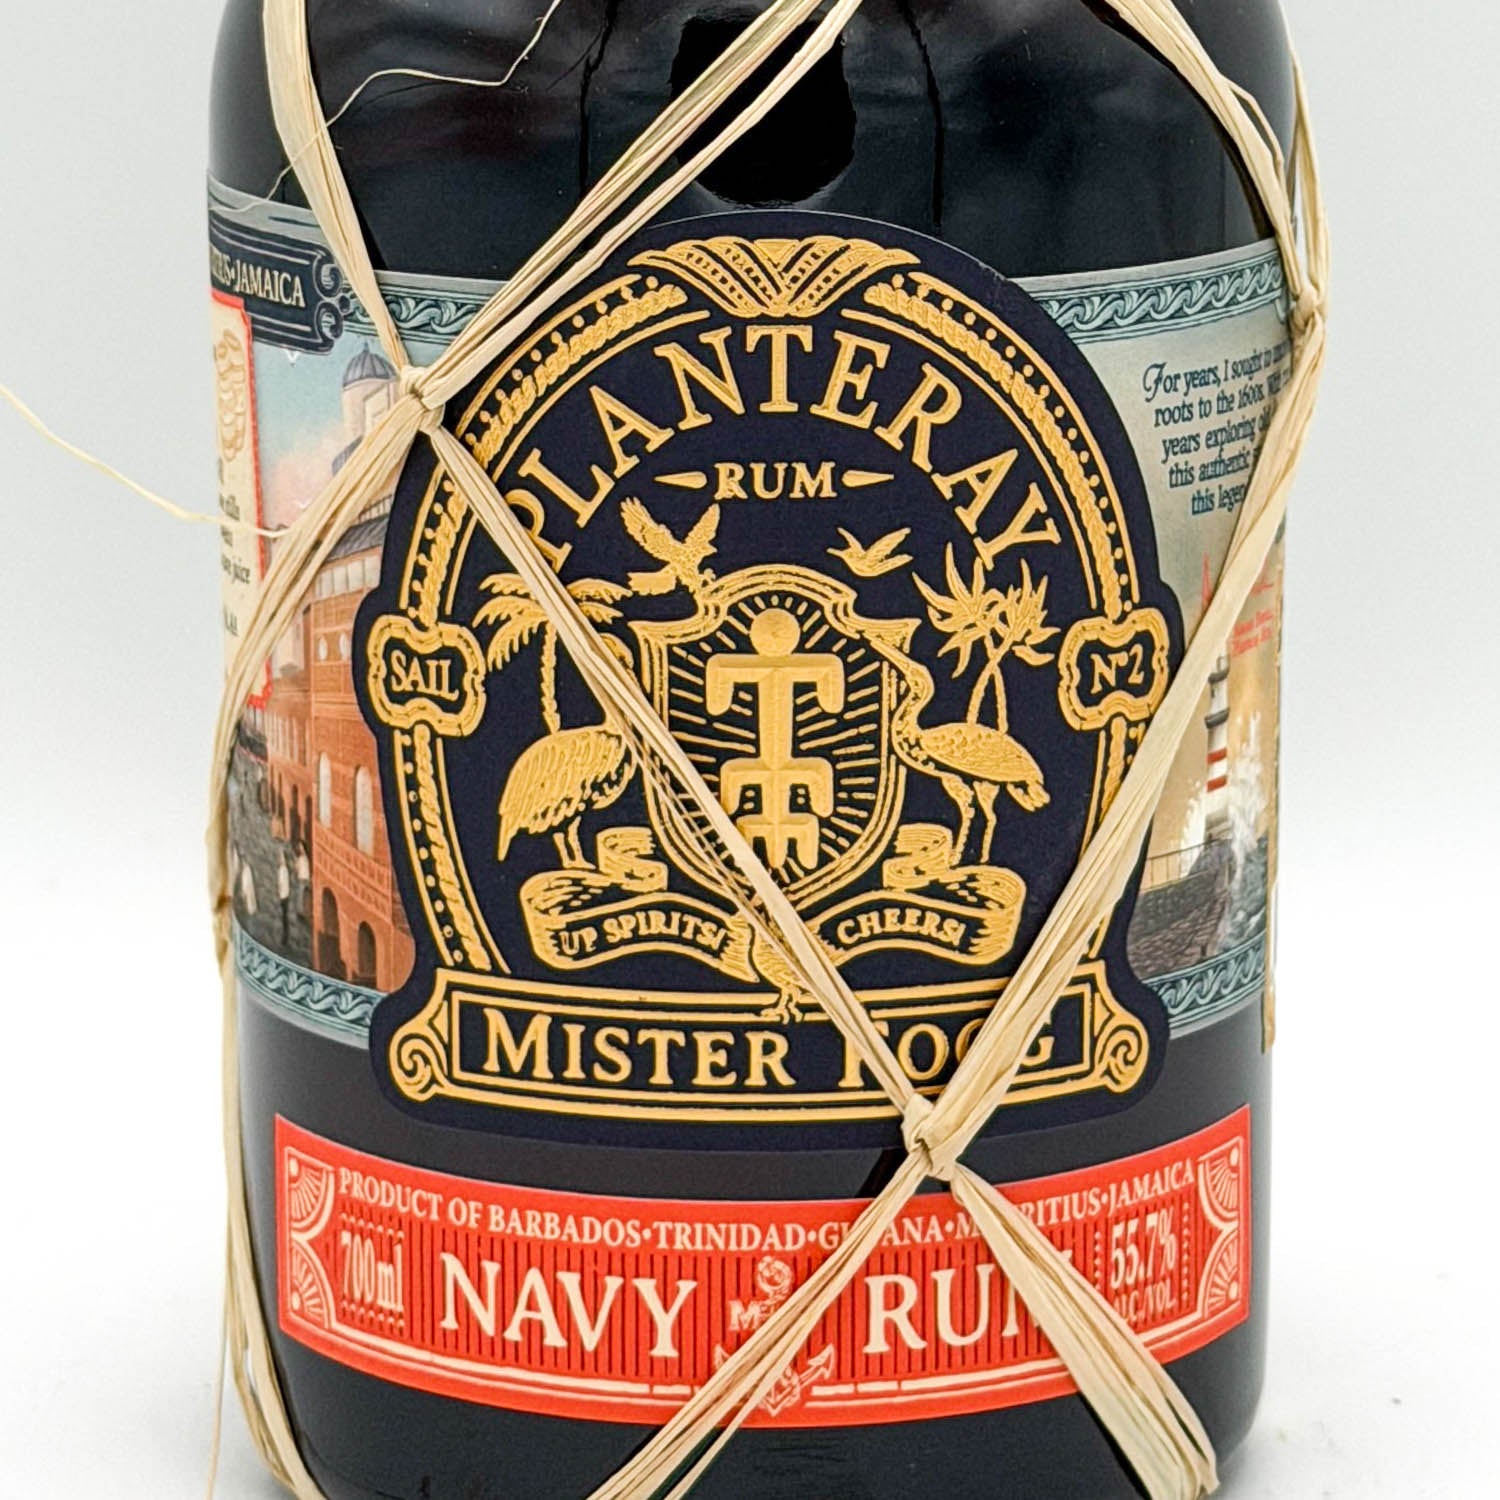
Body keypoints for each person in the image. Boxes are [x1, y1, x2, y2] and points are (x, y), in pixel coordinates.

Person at [277, 851, 292, 946]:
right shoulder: (283, 869)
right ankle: (284, 935)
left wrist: (281, 893)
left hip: (284, 895)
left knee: (284, 916)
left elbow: (282, 883)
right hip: (284, 894)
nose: (279, 859)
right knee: (284, 915)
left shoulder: (283, 870)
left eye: (281, 858)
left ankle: (285, 937)